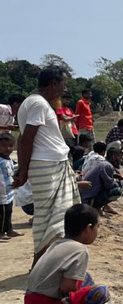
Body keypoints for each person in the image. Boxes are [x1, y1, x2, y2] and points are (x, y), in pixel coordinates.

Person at [22, 203, 110, 304]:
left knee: (85, 278)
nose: (97, 231)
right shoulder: (79, 249)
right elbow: (67, 287)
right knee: (100, 293)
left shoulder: (57, 243)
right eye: (97, 226)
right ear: (88, 228)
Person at [14, 68, 81, 264]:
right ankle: (41, 264)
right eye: (64, 83)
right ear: (53, 82)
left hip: (52, 164)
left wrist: (22, 168)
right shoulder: (37, 103)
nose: (65, 87)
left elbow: (22, 139)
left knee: (56, 216)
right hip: (47, 165)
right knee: (51, 218)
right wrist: (24, 170)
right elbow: (26, 138)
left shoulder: (37, 103)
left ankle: (47, 263)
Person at [80, 146, 123, 216]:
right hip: (88, 199)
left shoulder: (104, 164)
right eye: (119, 157)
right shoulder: (107, 166)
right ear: (113, 157)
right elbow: (110, 185)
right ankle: (96, 207)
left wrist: (114, 176)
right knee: (117, 190)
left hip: (86, 196)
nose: (121, 160)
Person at [0, 131, 20, 239]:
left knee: (8, 212)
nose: (7, 149)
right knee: (2, 214)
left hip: (9, 191)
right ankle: (1, 232)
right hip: (1, 193)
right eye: (3, 146)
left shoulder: (9, 160)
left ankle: (9, 229)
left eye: (10, 146)